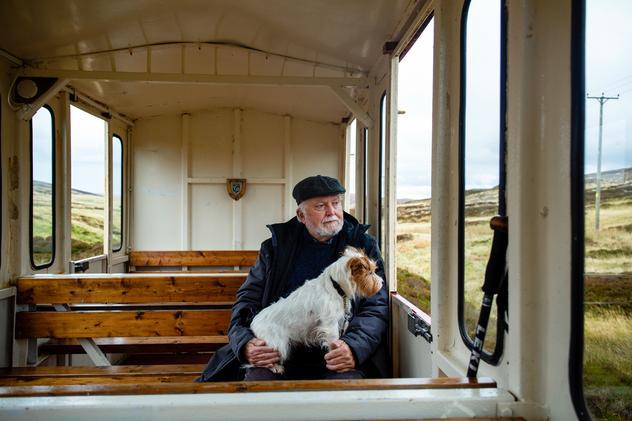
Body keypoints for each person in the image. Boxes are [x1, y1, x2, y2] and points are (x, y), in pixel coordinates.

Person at [197, 175, 389, 382]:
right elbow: (247, 301)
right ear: (301, 215)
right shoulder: (275, 247)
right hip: (278, 347)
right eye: (320, 206)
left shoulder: (362, 245)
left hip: (338, 346)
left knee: (345, 388)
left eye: (336, 203)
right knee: (258, 384)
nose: (332, 212)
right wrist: (246, 344)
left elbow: (376, 306)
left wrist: (354, 347)